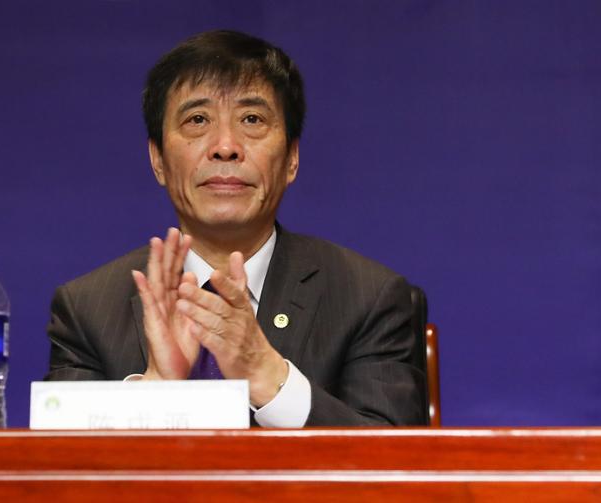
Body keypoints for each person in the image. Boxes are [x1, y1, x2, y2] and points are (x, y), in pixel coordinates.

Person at [46, 30, 426, 427]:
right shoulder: (88, 309)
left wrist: (269, 378)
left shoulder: (368, 299)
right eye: (197, 120)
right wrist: (156, 391)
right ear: (158, 160)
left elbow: (395, 460)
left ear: (292, 158)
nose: (225, 146)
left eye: (252, 119)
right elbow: (58, 462)